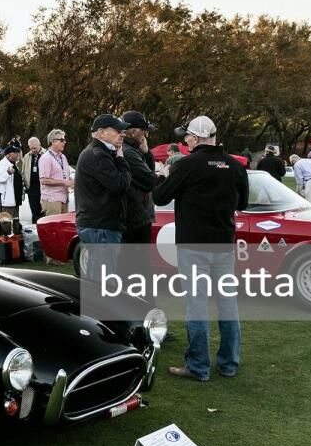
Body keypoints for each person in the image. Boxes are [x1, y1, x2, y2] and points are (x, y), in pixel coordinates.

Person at [152, 116, 249, 382]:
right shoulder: (234, 165)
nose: (185, 141)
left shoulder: (186, 164)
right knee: (228, 304)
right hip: (223, 243)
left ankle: (198, 366)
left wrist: (162, 177)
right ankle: (229, 364)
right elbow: (243, 203)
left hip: (193, 244)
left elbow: (160, 196)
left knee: (197, 306)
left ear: (195, 138)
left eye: (187, 137)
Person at [76, 115, 132, 283]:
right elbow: (120, 184)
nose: (122, 134)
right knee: (103, 281)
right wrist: (121, 159)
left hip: (98, 224)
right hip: (100, 225)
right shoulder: (98, 154)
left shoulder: (99, 152)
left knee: (100, 278)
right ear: (101, 132)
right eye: (117, 130)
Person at [120, 111, 159, 246]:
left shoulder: (132, 150)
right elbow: (150, 181)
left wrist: (147, 153)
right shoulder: (128, 152)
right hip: (135, 217)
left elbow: (148, 173)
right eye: (144, 131)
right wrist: (163, 176)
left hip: (137, 214)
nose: (146, 135)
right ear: (133, 132)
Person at [0, 139, 23, 218]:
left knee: (15, 221)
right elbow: (0, 178)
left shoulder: (14, 164)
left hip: (15, 200)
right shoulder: (2, 164)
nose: (17, 155)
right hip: (6, 202)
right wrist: (8, 173)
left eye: (18, 153)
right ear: (8, 155)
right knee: (6, 222)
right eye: (15, 153)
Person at [18, 137, 43, 223]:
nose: (33, 150)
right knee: (34, 210)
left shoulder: (46, 154)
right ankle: (35, 226)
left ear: (39, 145)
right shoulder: (27, 156)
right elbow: (23, 171)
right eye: (31, 148)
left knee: (43, 210)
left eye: (35, 148)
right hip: (32, 187)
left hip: (44, 187)